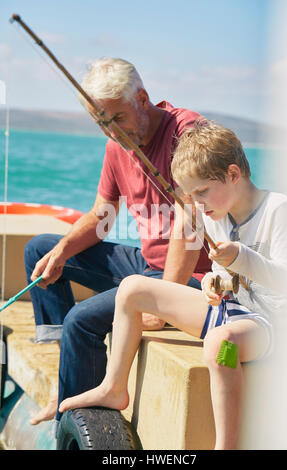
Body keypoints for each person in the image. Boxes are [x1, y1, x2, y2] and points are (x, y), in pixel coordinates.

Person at [58, 122, 287, 450]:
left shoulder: (278, 210)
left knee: (219, 345)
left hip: (272, 326)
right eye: (190, 195)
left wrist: (240, 256)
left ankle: (226, 445)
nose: (196, 204)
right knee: (133, 288)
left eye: (201, 192)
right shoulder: (214, 212)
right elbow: (221, 272)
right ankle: (114, 387)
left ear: (233, 174)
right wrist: (213, 282)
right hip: (233, 310)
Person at [24, 58, 211, 426]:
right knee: (42, 250)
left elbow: (190, 221)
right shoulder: (117, 147)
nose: (111, 132)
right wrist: (61, 252)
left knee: (82, 319)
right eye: (101, 123)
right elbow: (101, 216)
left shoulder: (187, 132)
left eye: (116, 119)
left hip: (193, 280)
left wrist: (166, 301)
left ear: (142, 99)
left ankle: (78, 419)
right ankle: (69, 380)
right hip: (147, 267)